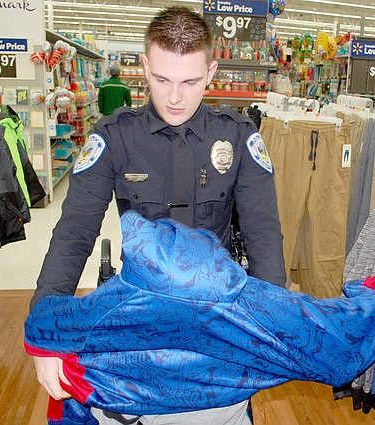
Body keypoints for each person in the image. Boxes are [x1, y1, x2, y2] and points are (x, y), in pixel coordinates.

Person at [30, 5, 286, 425]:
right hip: (136, 313)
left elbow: (263, 236)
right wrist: (45, 331)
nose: (174, 97)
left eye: (189, 81)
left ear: (211, 71)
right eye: (162, 79)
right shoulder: (113, 137)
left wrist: (274, 325)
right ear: (144, 66)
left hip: (215, 318)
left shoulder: (238, 137)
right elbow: (74, 234)